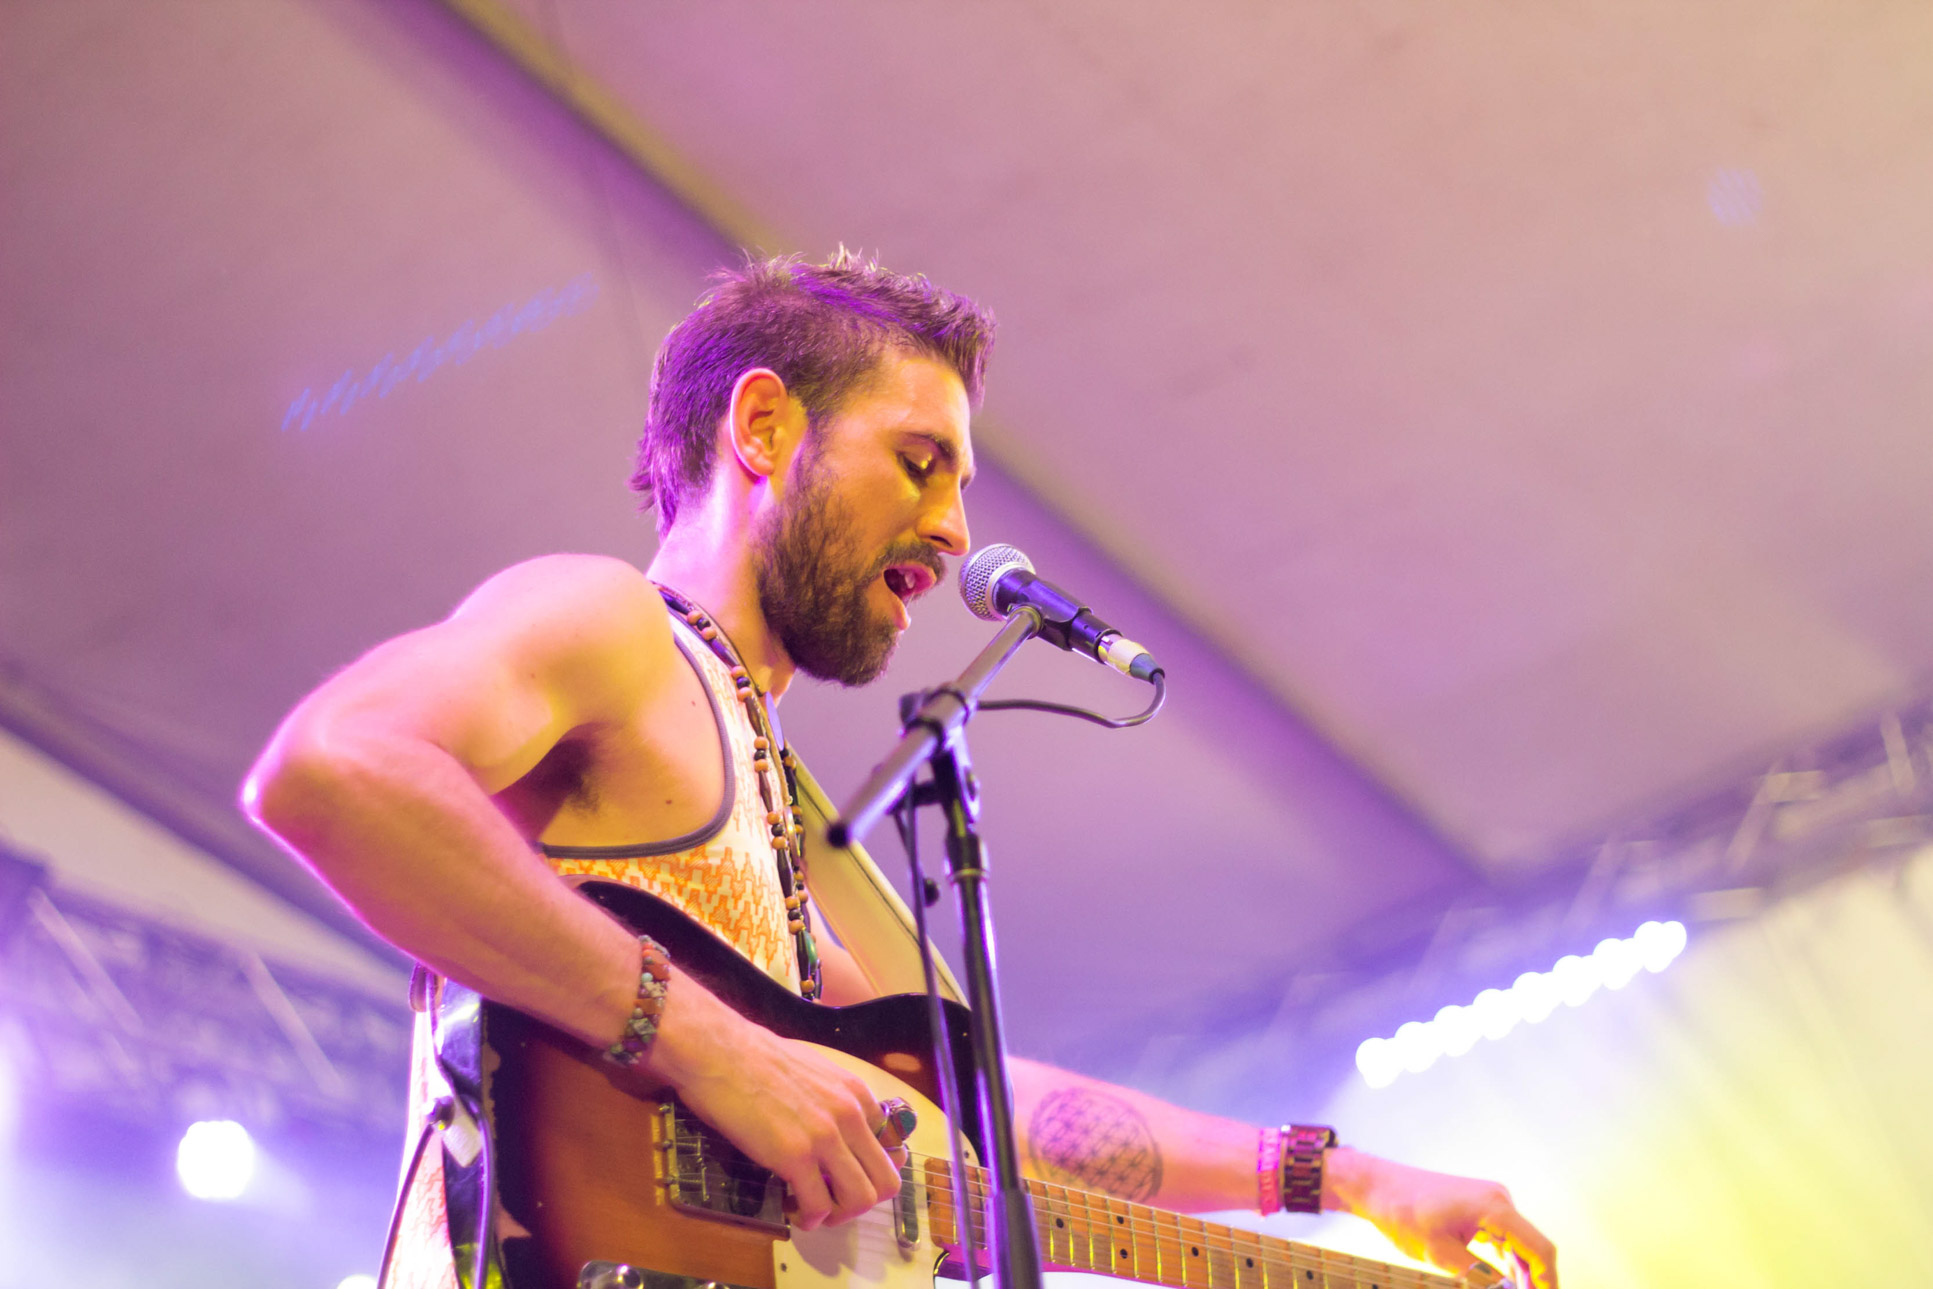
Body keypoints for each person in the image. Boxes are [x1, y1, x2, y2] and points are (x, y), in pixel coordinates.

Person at [243, 252, 1557, 1289]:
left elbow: (971, 1113)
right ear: (762, 425)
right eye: (918, 462)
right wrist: (706, 1047)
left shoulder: (778, 801)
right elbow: (335, 768)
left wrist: (1333, 1179)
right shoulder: (605, 622)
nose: (955, 527)